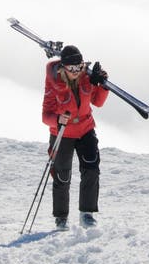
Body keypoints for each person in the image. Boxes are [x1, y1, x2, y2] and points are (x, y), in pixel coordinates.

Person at [42, 44, 109, 230]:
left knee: (91, 167)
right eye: (72, 68)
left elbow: (98, 102)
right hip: (62, 132)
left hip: (85, 128)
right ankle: (61, 218)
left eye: (79, 67)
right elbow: (45, 115)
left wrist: (101, 84)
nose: (76, 71)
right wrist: (56, 119)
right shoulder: (54, 83)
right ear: (63, 67)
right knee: (62, 175)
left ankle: (86, 214)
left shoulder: (86, 77)